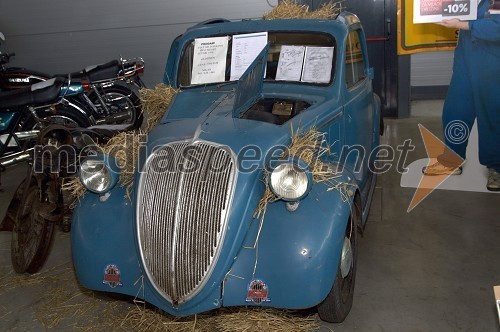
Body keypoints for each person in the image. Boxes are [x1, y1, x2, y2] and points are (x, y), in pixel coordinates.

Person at [423, 0, 500, 192]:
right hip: (466, 57)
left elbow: (497, 28)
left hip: (492, 61)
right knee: (455, 110)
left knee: (491, 114)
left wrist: (462, 24)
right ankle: (451, 160)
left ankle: (497, 168)